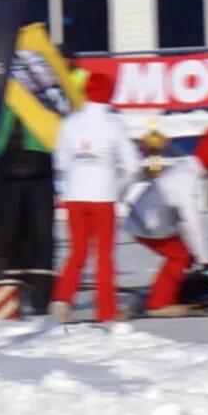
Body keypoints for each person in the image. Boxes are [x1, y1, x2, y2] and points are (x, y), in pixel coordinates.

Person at [53, 63, 142, 322]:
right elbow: (133, 165)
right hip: (103, 195)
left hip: (75, 194)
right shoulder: (114, 124)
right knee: (103, 255)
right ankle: (106, 310)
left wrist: (77, 173)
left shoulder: (70, 122)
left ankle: (62, 300)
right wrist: (118, 186)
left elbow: (61, 162)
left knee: (77, 251)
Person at [120, 130, 208, 317]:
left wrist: (197, 253)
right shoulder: (188, 178)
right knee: (179, 257)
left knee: (182, 254)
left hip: (146, 218)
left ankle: (166, 291)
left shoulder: (186, 168)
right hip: (148, 222)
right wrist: (204, 258)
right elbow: (191, 220)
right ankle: (159, 303)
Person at [0, 92, 59, 314]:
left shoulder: (0, 88)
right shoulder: (43, 89)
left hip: (5, 163)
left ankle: (11, 296)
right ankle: (41, 296)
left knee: (9, 236)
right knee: (41, 237)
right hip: (39, 159)